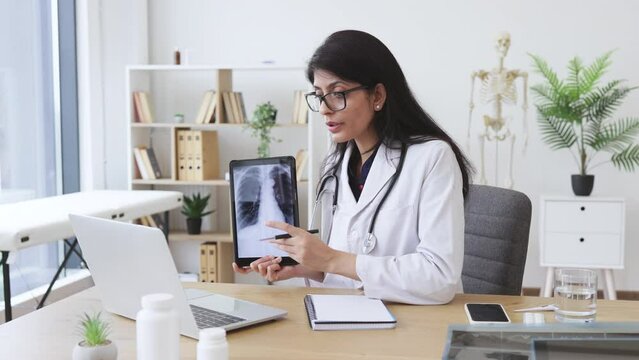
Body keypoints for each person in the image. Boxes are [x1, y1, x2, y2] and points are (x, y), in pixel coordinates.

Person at [233, 30, 473, 305]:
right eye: (319, 95)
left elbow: (439, 277)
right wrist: (306, 267)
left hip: (417, 326)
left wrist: (331, 259)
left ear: (377, 95)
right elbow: (346, 269)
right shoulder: (336, 165)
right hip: (352, 319)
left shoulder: (432, 158)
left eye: (337, 94)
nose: (324, 108)